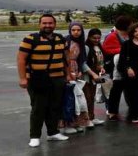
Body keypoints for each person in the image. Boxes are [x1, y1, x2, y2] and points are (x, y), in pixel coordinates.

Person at [18, 14, 70, 147]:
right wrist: (23, 78)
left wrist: (68, 75)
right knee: (38, 108)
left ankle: (53, 133)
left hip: (57, 78)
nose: (47, 26)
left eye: (50, 23)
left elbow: (66, 59)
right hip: (37, 79)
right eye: (44, 23)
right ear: (40, 24)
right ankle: (34, 136)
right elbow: (21, 59)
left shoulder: (60, 39)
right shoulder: (30, 39)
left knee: (55, 107)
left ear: (55, 24)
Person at [61, 22, 91, 133]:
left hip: (76, 69)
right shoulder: (65, 41)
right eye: (73, 30)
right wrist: (67, 73)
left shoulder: (81, 43)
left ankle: (77, 122)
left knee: (78, 98)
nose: (76, 32)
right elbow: (63, 58)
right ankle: (67, 124)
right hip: (67, 70)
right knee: (68, 97)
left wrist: (79, 71)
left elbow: (81, 59)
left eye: (78, 30)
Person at [103, 15, 131, 120]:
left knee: (129, 89)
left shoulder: (129, 35)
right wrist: (122, 51)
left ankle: (132, 107)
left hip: (128, 66)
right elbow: (106, 50)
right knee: (116, 89)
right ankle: (112, 111)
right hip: (115, 68)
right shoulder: (112, 36)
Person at [83, 28, 107, 126]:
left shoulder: (99, 47)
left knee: (91, 97)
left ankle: (91, 117)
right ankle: (86, 119)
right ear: (89, 37)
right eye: (94, 38)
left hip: (95, 76)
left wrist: (102, 68)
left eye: (98, 38)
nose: (97, 40)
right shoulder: (86, 47)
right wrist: (92, 73)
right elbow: (84, 63)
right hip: (87, 76)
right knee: (87, 97)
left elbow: (99, 61)